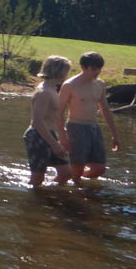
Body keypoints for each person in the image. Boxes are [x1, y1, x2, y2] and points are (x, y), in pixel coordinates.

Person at [58, 51, 121, 184]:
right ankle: (70, 184)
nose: (97, 72)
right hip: (75, 127)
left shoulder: (100, 84)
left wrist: (114, 135)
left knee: (99, 169)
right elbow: (58, 113)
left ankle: (69, 178)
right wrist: (62, 137)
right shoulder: (70, 85)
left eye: (99, 68)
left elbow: (105, 110)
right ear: (83, 67)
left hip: (94, 128)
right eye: (93, 69)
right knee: (77, 169)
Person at [24, 55, 72, 186]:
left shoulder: (52, 88)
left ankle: (52, 193)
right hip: (37, 136)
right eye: (66, 71)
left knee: (66, 173)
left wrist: (62, 132)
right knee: (37, 178)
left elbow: (53, 115)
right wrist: (54, 144)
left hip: (49, 134)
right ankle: (34, 195)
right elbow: (37, 121)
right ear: (59, 72)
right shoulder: (44, 92)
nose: (67, 75)